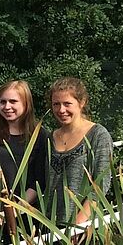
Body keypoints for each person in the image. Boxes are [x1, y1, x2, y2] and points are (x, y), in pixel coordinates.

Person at [0, 80, 48, 229]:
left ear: (26, 104)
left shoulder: (39, 136)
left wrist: (13, 211)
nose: (7, 107)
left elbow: (39, 181)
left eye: (13, 101)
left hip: (24, 216)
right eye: (3, 102)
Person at [47, 77, 113, 227]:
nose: (61, 110)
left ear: (82, 102)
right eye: (56, 104)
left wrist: (78, 224)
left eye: (67, 104)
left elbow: (101, 184)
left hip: (81, 225)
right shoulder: (50, 137)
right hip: (49, 224)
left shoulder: (97, 135)